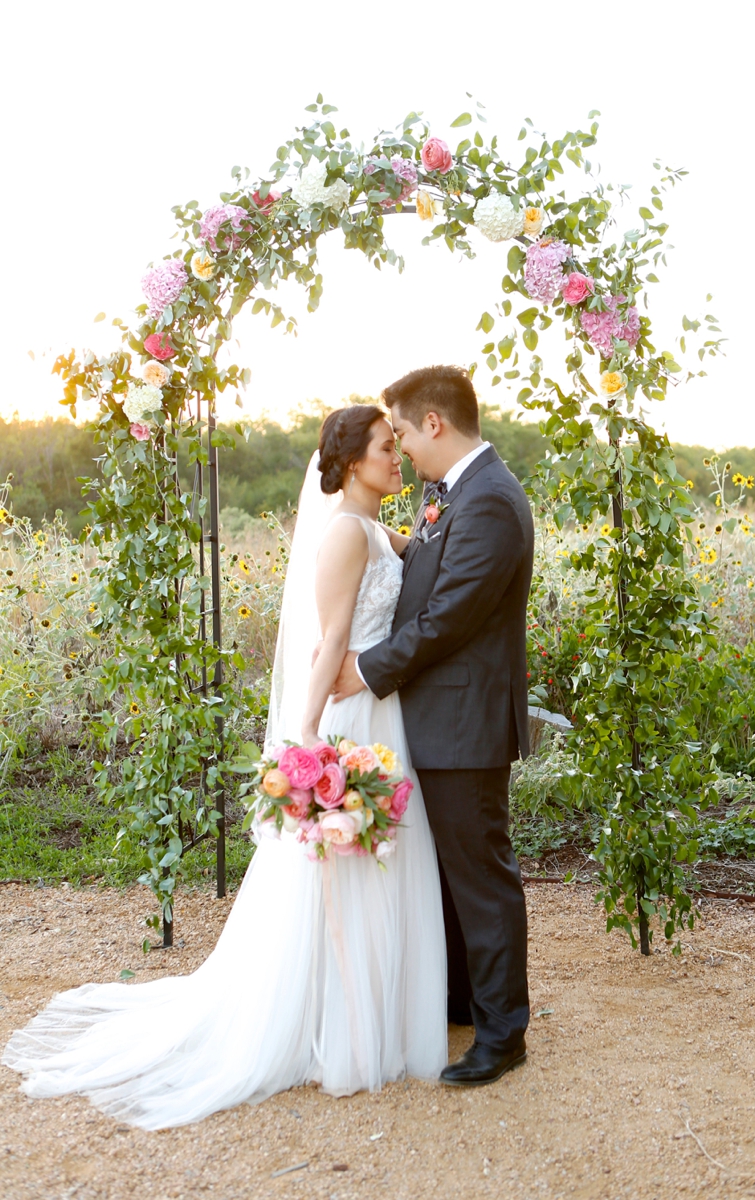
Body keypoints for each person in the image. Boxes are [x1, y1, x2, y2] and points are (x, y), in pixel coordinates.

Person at [2, 404, 448, 1130]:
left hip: (382, 713)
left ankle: (375, 1020)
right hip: (350, 720)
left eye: (397, 445)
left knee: (380, 865)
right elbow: (330, 639)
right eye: (383, 448)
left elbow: (418, 549)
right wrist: (306, 740)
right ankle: (339, 1032)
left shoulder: (371, 529)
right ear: (347, 462)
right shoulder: (341, 534)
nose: (396, 456)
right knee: (340, 872)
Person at [332, 365, 534, 1086]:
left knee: (480, 875)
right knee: (452, 875)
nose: (405, 450)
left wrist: (369, 669)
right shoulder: (459, 498)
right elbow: (433, 570)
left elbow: (449, 618)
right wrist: (376, 533)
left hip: (464, 718)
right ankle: (466, 1002)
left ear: (436, 424)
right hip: (439, 716)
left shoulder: (491, 503)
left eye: (406, 434)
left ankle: (503, 1032)